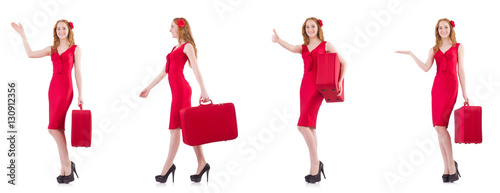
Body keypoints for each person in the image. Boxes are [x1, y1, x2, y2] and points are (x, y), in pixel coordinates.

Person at [272, 17, 347, 183]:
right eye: (307, 27)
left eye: (312, 26)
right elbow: (291, 47)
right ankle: (315, 167)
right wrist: (278, 40)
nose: (310, 29)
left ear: (318, 28)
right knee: (310, 125)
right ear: (304, 29)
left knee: (301, 125)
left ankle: (316, 163)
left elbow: (343, 63)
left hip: (318, 87)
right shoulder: (303, 47)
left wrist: (339, 81)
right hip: (304, 86)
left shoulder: (326, 45)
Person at [11, 20, 84, 183]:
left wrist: (80, 94)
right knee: (58, 128)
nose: (61, 31)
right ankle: (65, 168)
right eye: (58, 29)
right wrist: (23, 36)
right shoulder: (51, 49)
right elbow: (30, 54)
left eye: (64, 28)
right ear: (55, 31)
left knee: (53, 129)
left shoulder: (76, 49)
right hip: (53, 90)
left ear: (69, 30)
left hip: (66, 91)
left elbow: (78, 72)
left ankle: (68, 165)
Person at [396, 18, 467, 183]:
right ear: (437, 30)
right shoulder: (433, 49)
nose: (443, 30)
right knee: (438, 127)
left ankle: (452, 166)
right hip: (437, 88)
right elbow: (426, 68)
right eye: (440, 28)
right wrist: (411, 54)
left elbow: (461, 70)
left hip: (451, 87)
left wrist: (464, 92)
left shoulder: (458, 47)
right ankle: (447, 168)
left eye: (446, 27)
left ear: (450, 29)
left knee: (441, 127)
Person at [140, 17, 211, 183]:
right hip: (177, 92)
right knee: (188, 127)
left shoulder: (187, 47)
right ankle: (202, 163)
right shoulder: (174, 48)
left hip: (182, 92)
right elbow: (164, 73)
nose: (169, 30)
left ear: (180, 28)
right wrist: (148, 88)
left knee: (174, 128)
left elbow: (196, 70)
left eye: (172, 27)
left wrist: (204, 90)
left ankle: (167, 167)